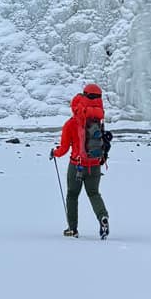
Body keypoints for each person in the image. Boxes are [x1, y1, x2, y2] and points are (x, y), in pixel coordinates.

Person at [51, 82, 111, 238]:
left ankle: (73, 229)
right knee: (94, 194)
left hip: (76, 165)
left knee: (72, 195)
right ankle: (102, 217)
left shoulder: (71, 124)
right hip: (95, 164)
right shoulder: (98, 121)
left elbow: (63, 149)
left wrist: (54, 153)